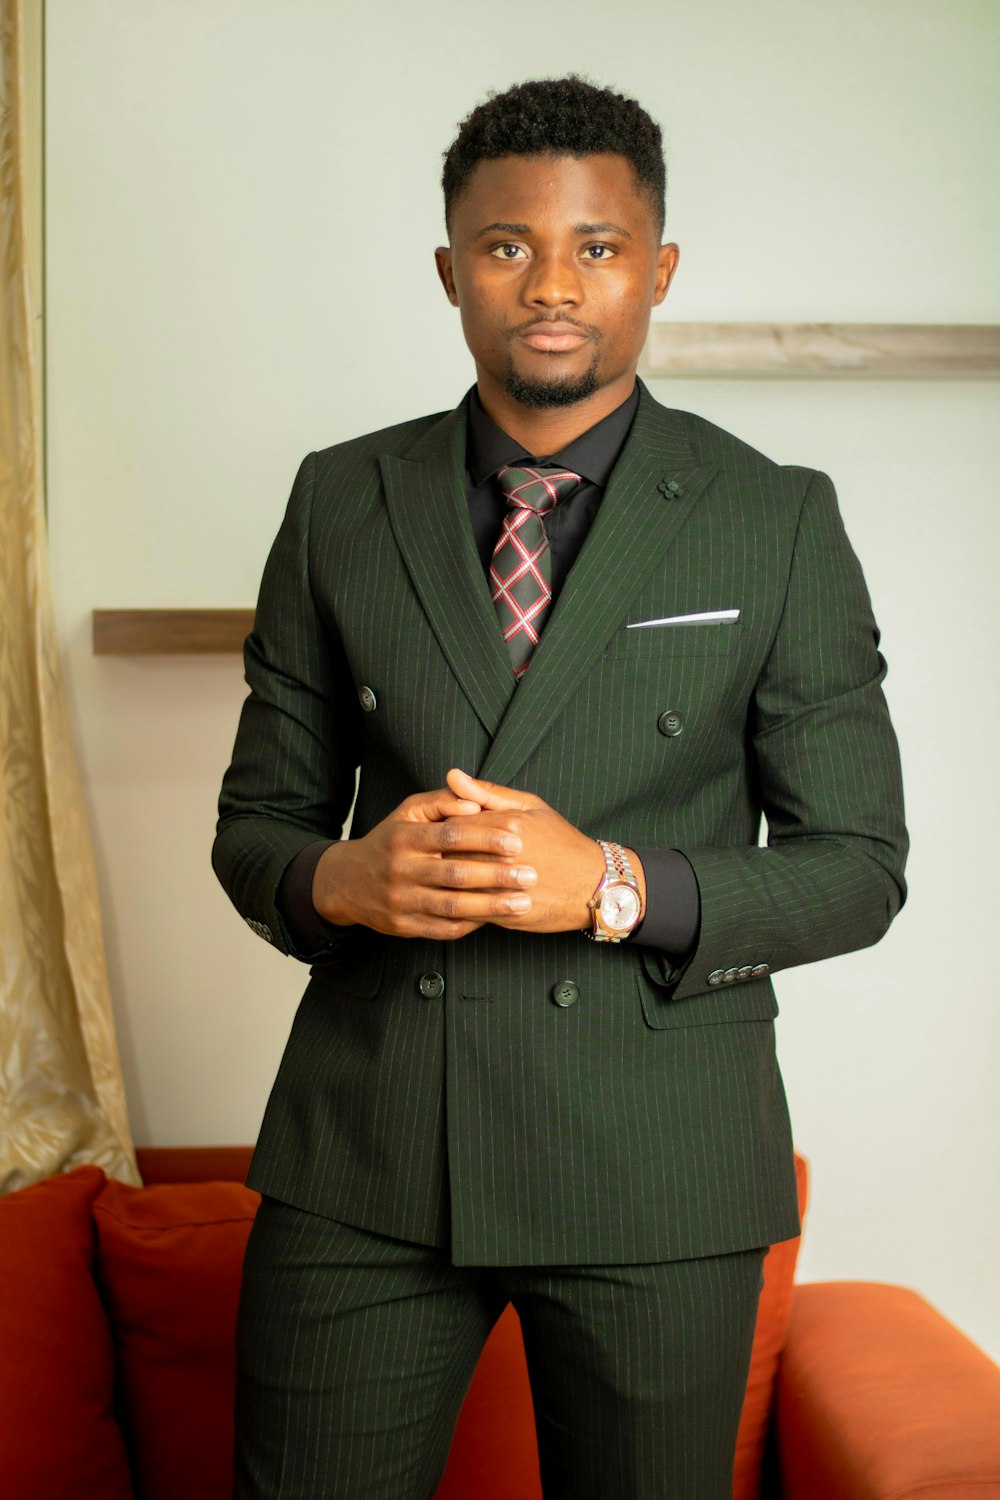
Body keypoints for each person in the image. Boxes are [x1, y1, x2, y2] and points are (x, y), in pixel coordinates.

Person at [213, 75, 907, 1500]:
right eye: (507, 244)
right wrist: (338, 877)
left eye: (596, 247)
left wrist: (613, 883)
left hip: (656, 1156)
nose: (551, 282)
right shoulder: (340, 499)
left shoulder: (772, 518)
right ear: (451, 271)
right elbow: (256, 827)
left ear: (657, 273)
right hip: (369, 1147)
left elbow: (858, 863)